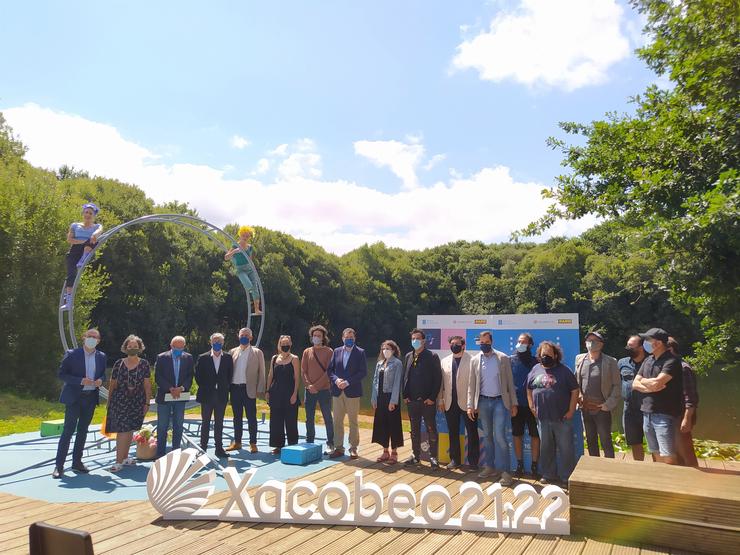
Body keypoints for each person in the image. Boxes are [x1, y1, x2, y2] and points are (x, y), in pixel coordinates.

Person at [53, 329, 107, 478]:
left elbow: (103, 374)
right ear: (84, 338)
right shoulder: (72, 354)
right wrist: (80, 381)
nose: (92, 339)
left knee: (83, 431)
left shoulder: (101, 356)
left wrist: (101, 380)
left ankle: (77, 462)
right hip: (74, 398)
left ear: (98, 340)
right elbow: (61, 374)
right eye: (89, 336)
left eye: (95, 337)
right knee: (68, 431)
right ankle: (59, 466)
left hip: (90, 398)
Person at [467, 331, 517, 485]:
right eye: (481, 342)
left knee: (500, 437)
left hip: (500, 402)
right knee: (487, 436)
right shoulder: (475, 360)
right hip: (483, 402)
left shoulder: (502, 358)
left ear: (491, 342)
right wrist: (470, 405)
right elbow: (471, 385)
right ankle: (489, 466)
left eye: (486, 342)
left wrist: (513, 403)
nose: (483, 345)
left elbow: (510, 383)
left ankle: (506, 472)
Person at [527, 340, 579, 485]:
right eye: (543, 355)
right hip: (543, 418)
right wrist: (531, 406)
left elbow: (575, 390)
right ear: (539, 355)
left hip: (562, 418)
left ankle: (566, 477)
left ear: (556, 355)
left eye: (549, 354)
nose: (546, 357)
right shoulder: (535, 369)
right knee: (546, 448)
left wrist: (571, 410)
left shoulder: (564, 370)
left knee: (566, 449)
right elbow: (529, 388)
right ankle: (549, 474)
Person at [632, 328, 683, 465]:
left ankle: (672, 483)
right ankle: (660, 481)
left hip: (664, 414)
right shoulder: (648, 360)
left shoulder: (672, 361)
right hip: (647, 412)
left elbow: (658, 382)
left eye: (648, 340)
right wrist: (648, 387)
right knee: (654, 451)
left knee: (668, 454)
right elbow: (635, 383)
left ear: (659, 343)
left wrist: (645, 382)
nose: (645, 343)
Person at [106, 335, 152, 472]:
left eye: (135, 346)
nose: (132, 348)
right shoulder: (118, 364)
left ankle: (125, 458)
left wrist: (147, 403)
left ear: (140, 348)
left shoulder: (144, 364)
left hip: (137, 401)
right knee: (122, 430)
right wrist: (109, 402)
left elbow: (147, 385)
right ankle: (118, 462)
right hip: (119, 400)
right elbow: (112, 384)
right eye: (129, 346)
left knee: (130, 428)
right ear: (125, 348)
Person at [575, 330, 620, 459]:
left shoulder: (611, 361)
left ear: (601, 344)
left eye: (594, 341)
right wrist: (579, 396)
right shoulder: (579, 359)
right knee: (590, 440)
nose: (591, 343)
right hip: (585, 408)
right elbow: (576, 381)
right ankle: (594, 468)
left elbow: (617, 385)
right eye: (589, 341)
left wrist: (608, 405)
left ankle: (610, 469)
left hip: (602, 408)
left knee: (605, 439)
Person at [403, 329, 443, 469]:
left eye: (417, 338)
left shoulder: (432, 356)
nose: (415, 341)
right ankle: (416, 456)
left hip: (427, 402)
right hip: (412, 401)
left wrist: (432, 398)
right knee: (414, 430)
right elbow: (405, 377)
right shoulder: (409, 356)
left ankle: (433, 457)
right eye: (413, 338)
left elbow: (438, 379)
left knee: (431, 429)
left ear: (424, 340)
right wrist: (405, 395)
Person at [438, 336, 479, 471]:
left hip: (468, 404)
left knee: (472, 432)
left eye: (457, 344)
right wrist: (441, 400)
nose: (454, 346)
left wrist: (473, 403)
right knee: (453, 432)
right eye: (452, 344)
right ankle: (455, 460)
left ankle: (473, 462)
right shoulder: (444, 361)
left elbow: (475, 384)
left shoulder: (472, 360)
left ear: (463, 345)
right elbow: (441, 384)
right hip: (450, 403)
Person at [328, 328, 367, 459]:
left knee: (353, 421)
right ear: (342, 338)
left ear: (354, 338)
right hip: (337, 391)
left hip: (352, 392)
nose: (349, 339)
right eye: (346, 337)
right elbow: (330, 371)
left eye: (351, 337)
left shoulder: (360, 353)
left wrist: (348, 382)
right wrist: (336, 380)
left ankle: (353, 447)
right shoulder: (336, 351)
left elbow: (363, 372)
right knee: (337, 421)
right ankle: (339, 447)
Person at [226, 327, 266, 453]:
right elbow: (227, 372)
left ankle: (253, 443)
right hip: (234, 389)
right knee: (236, 417)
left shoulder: (257, 352)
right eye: (242, 335)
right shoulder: (232, 352)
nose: (244, 337)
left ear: (251, 338)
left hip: (249, 389)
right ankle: (237, 442)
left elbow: (262, 372)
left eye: (247, 335)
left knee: (251, 417)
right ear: (238, 336)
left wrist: (260, 389)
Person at [195, 332, 234, 458]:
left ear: (223, 343)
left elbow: (230, 375)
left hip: (221, 395)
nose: (217, 344)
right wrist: (207, 386)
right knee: (205, 422)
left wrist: (223, 387)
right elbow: (198, 376)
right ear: (211, 342)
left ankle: (219, 448)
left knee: (219, 422)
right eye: (215, 341)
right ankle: (203, 447)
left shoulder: (228, 357)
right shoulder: (203, 357)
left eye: (220, 342)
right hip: (207, 395)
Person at [155, 335, 194, 458]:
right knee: (162, 426)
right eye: (176, 347)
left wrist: (181, 388)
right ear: (171, 346)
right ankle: (160, 453)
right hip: (165, 396)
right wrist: (170, 389)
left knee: (178, 425)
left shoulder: (188, 358)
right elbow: (158, 376)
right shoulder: (161, 357)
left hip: (180, 397)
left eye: (181, 347)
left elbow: (190, 376)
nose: (179, 349)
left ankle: (176, 452)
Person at [61, 203, 103, 309]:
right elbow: (69, 239)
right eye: (86, 212)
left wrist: (94, 235)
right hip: (75, 250)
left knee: (92, 241)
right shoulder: (75, 225)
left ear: (94, 216)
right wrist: (82, 241)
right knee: (71, 275)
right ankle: (68, 301)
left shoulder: (97, 226)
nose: (88, 215)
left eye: (91, 213)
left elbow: (98, 232)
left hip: (88, 250)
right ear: (83, 213)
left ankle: (83, 258)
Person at [301, 325, 335, 454]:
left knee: (327, 417)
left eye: (318, 336)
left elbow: (329, 372)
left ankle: (330, 443)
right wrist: (309, 385)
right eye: (314, 335)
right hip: (309, 390)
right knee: (309, 417)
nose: (316, 338)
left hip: (324, 390)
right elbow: (303, 371)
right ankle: (310, 441)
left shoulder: (329, 351)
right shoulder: (307, 351)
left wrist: (316, 386)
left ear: (323, 338)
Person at [510, 332, 540, 478]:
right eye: (518, 341)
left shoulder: (536, 362)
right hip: (516, 404)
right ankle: (519, 465)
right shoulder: (511, 360)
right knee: (517, 434)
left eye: (523, 342)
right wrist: (511, 403)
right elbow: (507, 384)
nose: (520, 344)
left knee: (535, 435)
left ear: (530, 345)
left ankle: (534, 466)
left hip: (533, 406)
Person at [667, 336, 699, 467]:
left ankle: (694, 479)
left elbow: (690, 397)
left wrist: (687, 418)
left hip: (681, 415)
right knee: (674, 452)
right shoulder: (668, 367)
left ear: (670, 349)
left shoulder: (683, 367)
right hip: (669, 415)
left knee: (686, 452)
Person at [266, 335, 300, 454]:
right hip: (275, 393)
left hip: (289, 393)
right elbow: (270, 375)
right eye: (282, 343)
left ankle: (292, 445)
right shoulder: (274, 358)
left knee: (291, 420)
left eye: (287, 343)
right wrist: (267, 391)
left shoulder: (294, 358)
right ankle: (278, 445)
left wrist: (295, 394)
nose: (285, 346)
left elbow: (297, 378)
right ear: (279, 345)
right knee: (276, 421)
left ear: (290, 344)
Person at [371, 340, 404, 464]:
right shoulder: (379, 363)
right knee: (381, 424)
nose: (385, 350)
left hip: (391, 397)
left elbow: (397, 383)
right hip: (380, 398)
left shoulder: (397, 363)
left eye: (388, 348)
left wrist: (393, 401)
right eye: (383, 348)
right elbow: (375, 382)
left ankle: (394, 452)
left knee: (393, 424)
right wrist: (374, 399)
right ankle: (385, 451)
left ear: (394, 350)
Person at [617, 335, 647, 461]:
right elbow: (616, 382)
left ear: (641, 347)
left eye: (631, 346)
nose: (628, 348)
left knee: (654, 444)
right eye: (627, 345)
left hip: (648, 409)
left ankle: (658, 471)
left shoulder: (651, 362)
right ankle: (639, 469)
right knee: (634, 442)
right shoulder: (622, 363)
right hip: (629, 409)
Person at [224, 225, 262, 315]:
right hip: (241, 269)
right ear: (240, 235)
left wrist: (254, 270)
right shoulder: (235, 245)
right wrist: (234, 251)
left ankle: (257, 309)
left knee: (255, 289)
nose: (245, 237)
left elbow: (250, 259)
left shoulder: (250, 247)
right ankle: (249, 290)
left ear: (249, 237)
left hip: (249, 269)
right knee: (249, 285)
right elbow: (226, 257)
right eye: (243, 235)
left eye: (247, 236)